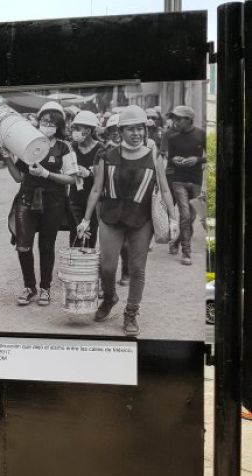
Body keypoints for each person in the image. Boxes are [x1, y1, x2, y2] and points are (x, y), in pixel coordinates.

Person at [77, 105, 180, 336]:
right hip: (110, 217)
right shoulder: (106, 155)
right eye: (130, 129)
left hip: (141, 220)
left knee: (137, 269)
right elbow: (96, 190)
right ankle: (110, 297)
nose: (136, 134)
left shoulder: (153, 156)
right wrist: (85, 220)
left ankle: (131, 312)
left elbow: (164, 190)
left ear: (145, 131)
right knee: (107, 265)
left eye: (140, 129)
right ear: (120, 131)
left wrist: (174, 220)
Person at [10, 101, 78, 307]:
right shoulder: (27, 144)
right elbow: (18, 177)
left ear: (59, 125)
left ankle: (45, 288)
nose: (47, 125)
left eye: (52, 122)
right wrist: (6, 159)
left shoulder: (63, 147)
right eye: (44, 121)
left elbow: (71, 178)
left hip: (53, 201)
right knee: (23, 245)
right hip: (26, 199)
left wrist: (46, 174)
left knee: (47, 246)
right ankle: (29, 287)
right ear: (38, 122)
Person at [163, 105, 206, 265]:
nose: (174, 121)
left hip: (196, 180)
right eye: (173, 118)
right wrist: (174, 160)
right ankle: (186, 253)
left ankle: (175, 242)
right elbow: (170, 159)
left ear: (188, 119)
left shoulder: (202, 134)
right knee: (185, 215)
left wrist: (197, 160)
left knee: (192, 217)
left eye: (178, 118)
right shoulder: (172, 138)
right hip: (178, 180)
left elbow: (213, 155)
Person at [69, 110, 104, 248]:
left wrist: (89, 173)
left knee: (91, 235)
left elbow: (105, 177)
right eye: (74, 129)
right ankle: (75, 267)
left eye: (78, 129)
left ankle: (88, 267)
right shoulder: (71, 147)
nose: (74, 132)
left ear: (88, 130)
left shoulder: (100, 149)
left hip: (94, 200)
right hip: (74, 198)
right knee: (75, 234)